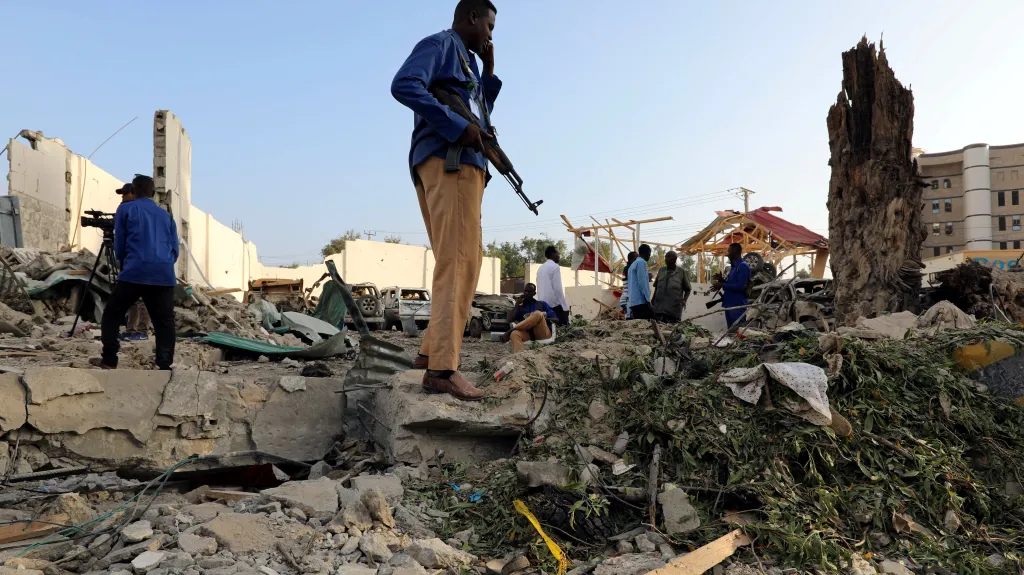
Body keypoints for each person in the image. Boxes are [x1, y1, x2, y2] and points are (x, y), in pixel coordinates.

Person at [391, 0, 500, 401]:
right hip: (450, 163)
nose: (490, 35)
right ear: (471, 17)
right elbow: (404, 85)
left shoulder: (466, 62)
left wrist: (487, 73)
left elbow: (479, 115)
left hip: (463, 166)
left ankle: (428, 353)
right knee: (459, 261)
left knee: (465, 259)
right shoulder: (440, 44)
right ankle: (442, 369)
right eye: (488, 26)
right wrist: (457, 126)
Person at [95, 175, 178, 370]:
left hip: (135, 271)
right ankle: (164, 364)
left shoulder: (125, 209)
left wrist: (127, 263)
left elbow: (120, 244)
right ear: (152, 192)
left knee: (112, 314)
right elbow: (175, 249)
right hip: (164, 274)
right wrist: (163, 263)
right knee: (164, 321)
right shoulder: (166, 215)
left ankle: (109, 359)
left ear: (134, 190)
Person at [502, 283, 558, 352]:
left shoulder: (541, 304)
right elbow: (509, 319)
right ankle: (519, 357)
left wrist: (542, 314)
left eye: (529, 291)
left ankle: (511, 330)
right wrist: (517, 304)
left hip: (542, 333)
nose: (527, 293)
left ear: (534, 293)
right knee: (514, 334)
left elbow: (555, 318)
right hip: (528, 334)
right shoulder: (520, 307)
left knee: (538, 313)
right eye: (525, 291)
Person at [713, 243, 751, 330]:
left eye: (729, 251)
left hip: (737, 305)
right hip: (729, 304)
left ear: (735, 252)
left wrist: (722, 284)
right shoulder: (734, 267)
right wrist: (721, 280)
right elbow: (731, 284)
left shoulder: (743, 266)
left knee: (738, 333)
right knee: (731, 332)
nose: (728, 254)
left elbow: (740, 286)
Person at [651, 251, 692, 323]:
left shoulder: (681, 272)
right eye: (665, 257)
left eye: (668, 257)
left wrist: (684, 300)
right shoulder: (661, 270)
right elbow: (657, 287)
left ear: (674, 259)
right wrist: (652, 302)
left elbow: (688, 289)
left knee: (671, 331)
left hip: (673, 311)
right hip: (659, 310)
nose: (666, 259)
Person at [536, 245, 569, 326]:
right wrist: (565, 306)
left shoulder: (540, 268)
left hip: (542, 305)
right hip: (553, 305)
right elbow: (558, 288)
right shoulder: (555, 267)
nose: (559, 256)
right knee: (565, 328)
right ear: (553, 254)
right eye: (558, 253)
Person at [628, 245, 655, 320]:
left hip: (633, 302)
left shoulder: (632, 265)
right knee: (648, 325)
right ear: (646, 253)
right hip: (641, 302)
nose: (649, 256)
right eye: (649, 254)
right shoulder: (641, 262)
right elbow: (642, 283)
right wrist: (648, 302)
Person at [618, 251, 637, 318]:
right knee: (629, 319)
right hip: (627, 300)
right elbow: (632, 281)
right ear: (632, 259)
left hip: (626, 299)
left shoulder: (628, 268)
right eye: (636, 258)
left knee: (630, 318)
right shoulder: (629, 268)